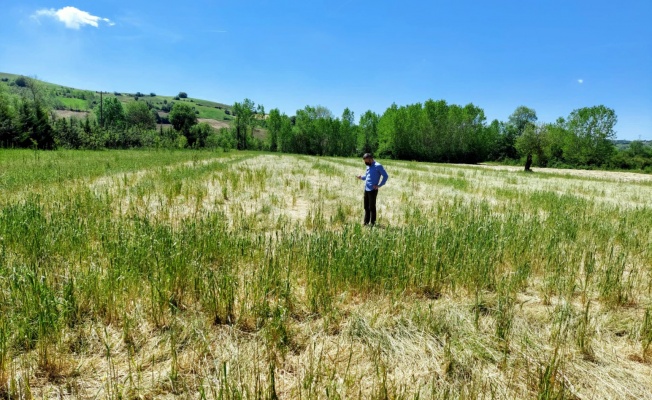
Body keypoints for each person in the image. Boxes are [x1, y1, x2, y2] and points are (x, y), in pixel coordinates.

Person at [356, 153, 389, 226]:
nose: (366, 163)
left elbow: (385, 176)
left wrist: (379, 185)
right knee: (366, 207)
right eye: (365, 161)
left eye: (366, 161)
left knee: (372, 207)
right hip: (366, 189)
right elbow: (368, 176)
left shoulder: (378, 166)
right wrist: (361, 177)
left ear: (370, 159)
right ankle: (366, 222)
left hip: (373, 190)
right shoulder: (368, 166)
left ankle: (373, 223)